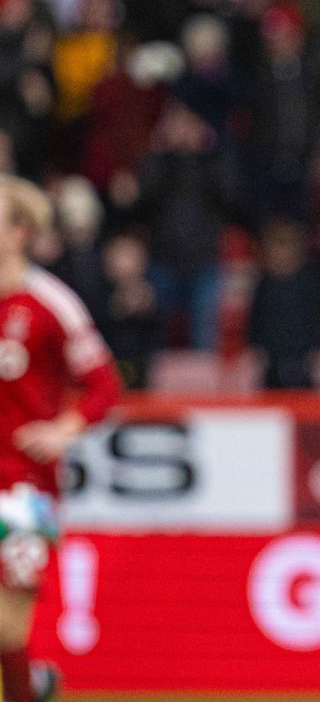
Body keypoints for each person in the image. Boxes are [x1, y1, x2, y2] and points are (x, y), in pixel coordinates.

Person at [0, 175, 121, 702]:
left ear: (19, 232)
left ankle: (33, 687)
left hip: (27, 489)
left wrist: (62, 430)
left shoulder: (51, 302)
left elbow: (103, 385)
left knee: (6, 629)